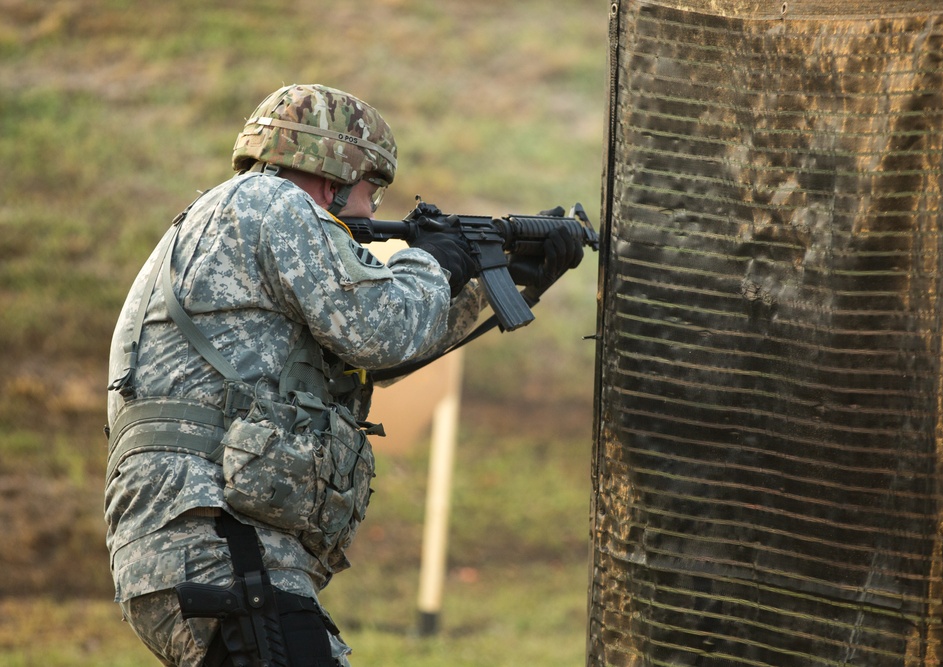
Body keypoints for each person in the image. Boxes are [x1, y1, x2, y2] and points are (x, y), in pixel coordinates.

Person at [104, 83, 584, 666]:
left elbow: (375, 357)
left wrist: (491, 281)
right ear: (332, 179)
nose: (373, 213)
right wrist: (431, 259)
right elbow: (380, 328)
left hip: (201, 540)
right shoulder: (270, 204)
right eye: (372, 192)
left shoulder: (227, 220)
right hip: (221, 542)